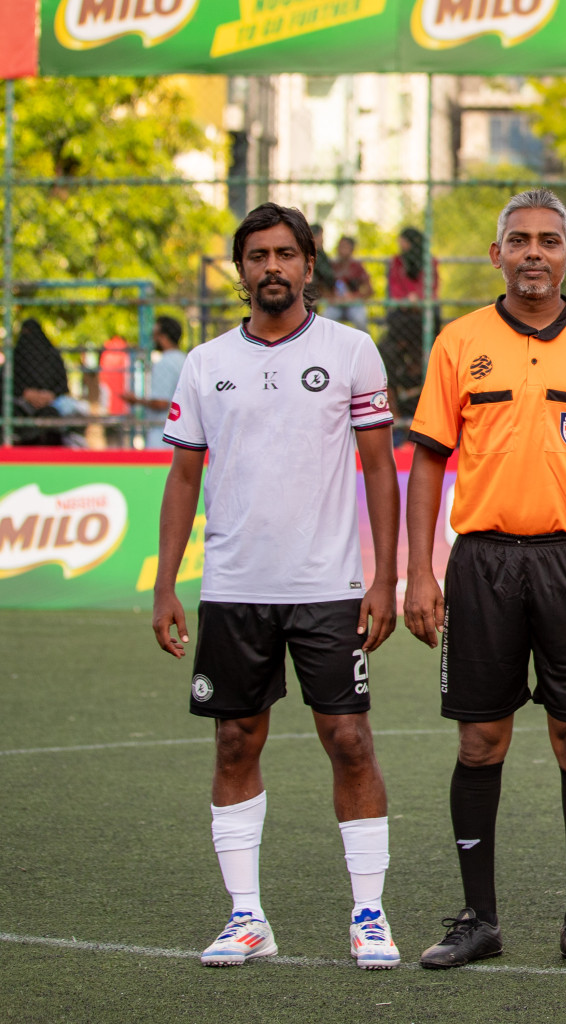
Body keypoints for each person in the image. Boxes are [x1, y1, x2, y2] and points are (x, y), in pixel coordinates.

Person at [404, 189, 566, 973]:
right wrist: (421, 570)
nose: (534, 253)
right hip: (482, 562)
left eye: (549, 241)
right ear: (498, 255)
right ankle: (479, 917)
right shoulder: (459, 342)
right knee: (481, 741)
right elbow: (429, 461)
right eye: (520, 241)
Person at [151, 203, 402, 969]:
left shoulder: (352, 350)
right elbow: (184, 473)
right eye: (257, 255)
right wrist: (166, 584)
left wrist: (383, 576)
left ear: (308, 262)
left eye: (285, 254)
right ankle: (247, 916)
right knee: (235, 741)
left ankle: (368, 913)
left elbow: (379, 470)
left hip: (327, 584)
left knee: (349, 739)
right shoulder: (205, 363)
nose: (271, 268)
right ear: (240, 270)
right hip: (233, 587)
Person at [122, 315, 188, 449]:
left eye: (155, 334)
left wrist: (136, 401)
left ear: (163, 337)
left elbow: (161, 402)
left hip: (162, 435)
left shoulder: (164, 363)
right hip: (182, 434)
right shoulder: (186, 359)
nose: (153, 338)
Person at [10, 318, 71, 446]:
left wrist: (49, 396)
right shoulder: (16, 357)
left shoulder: (51, 355)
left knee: (55, 414)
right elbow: (5, 382)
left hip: (50, 405)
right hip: (21, 405)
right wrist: (25, 393)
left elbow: (62, 385)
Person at [332, 235, 374, 334]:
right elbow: (322, 287)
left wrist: (354, 297)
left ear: (352, 249)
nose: (341, 250)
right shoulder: (333, 266)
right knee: (326, 317)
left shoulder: (357, 267)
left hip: (354, 303)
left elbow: (369, 290)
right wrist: (332, 296)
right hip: (336, 303)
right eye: (340, 246)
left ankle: (365, 347)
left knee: (360, 319)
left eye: (344, 247)